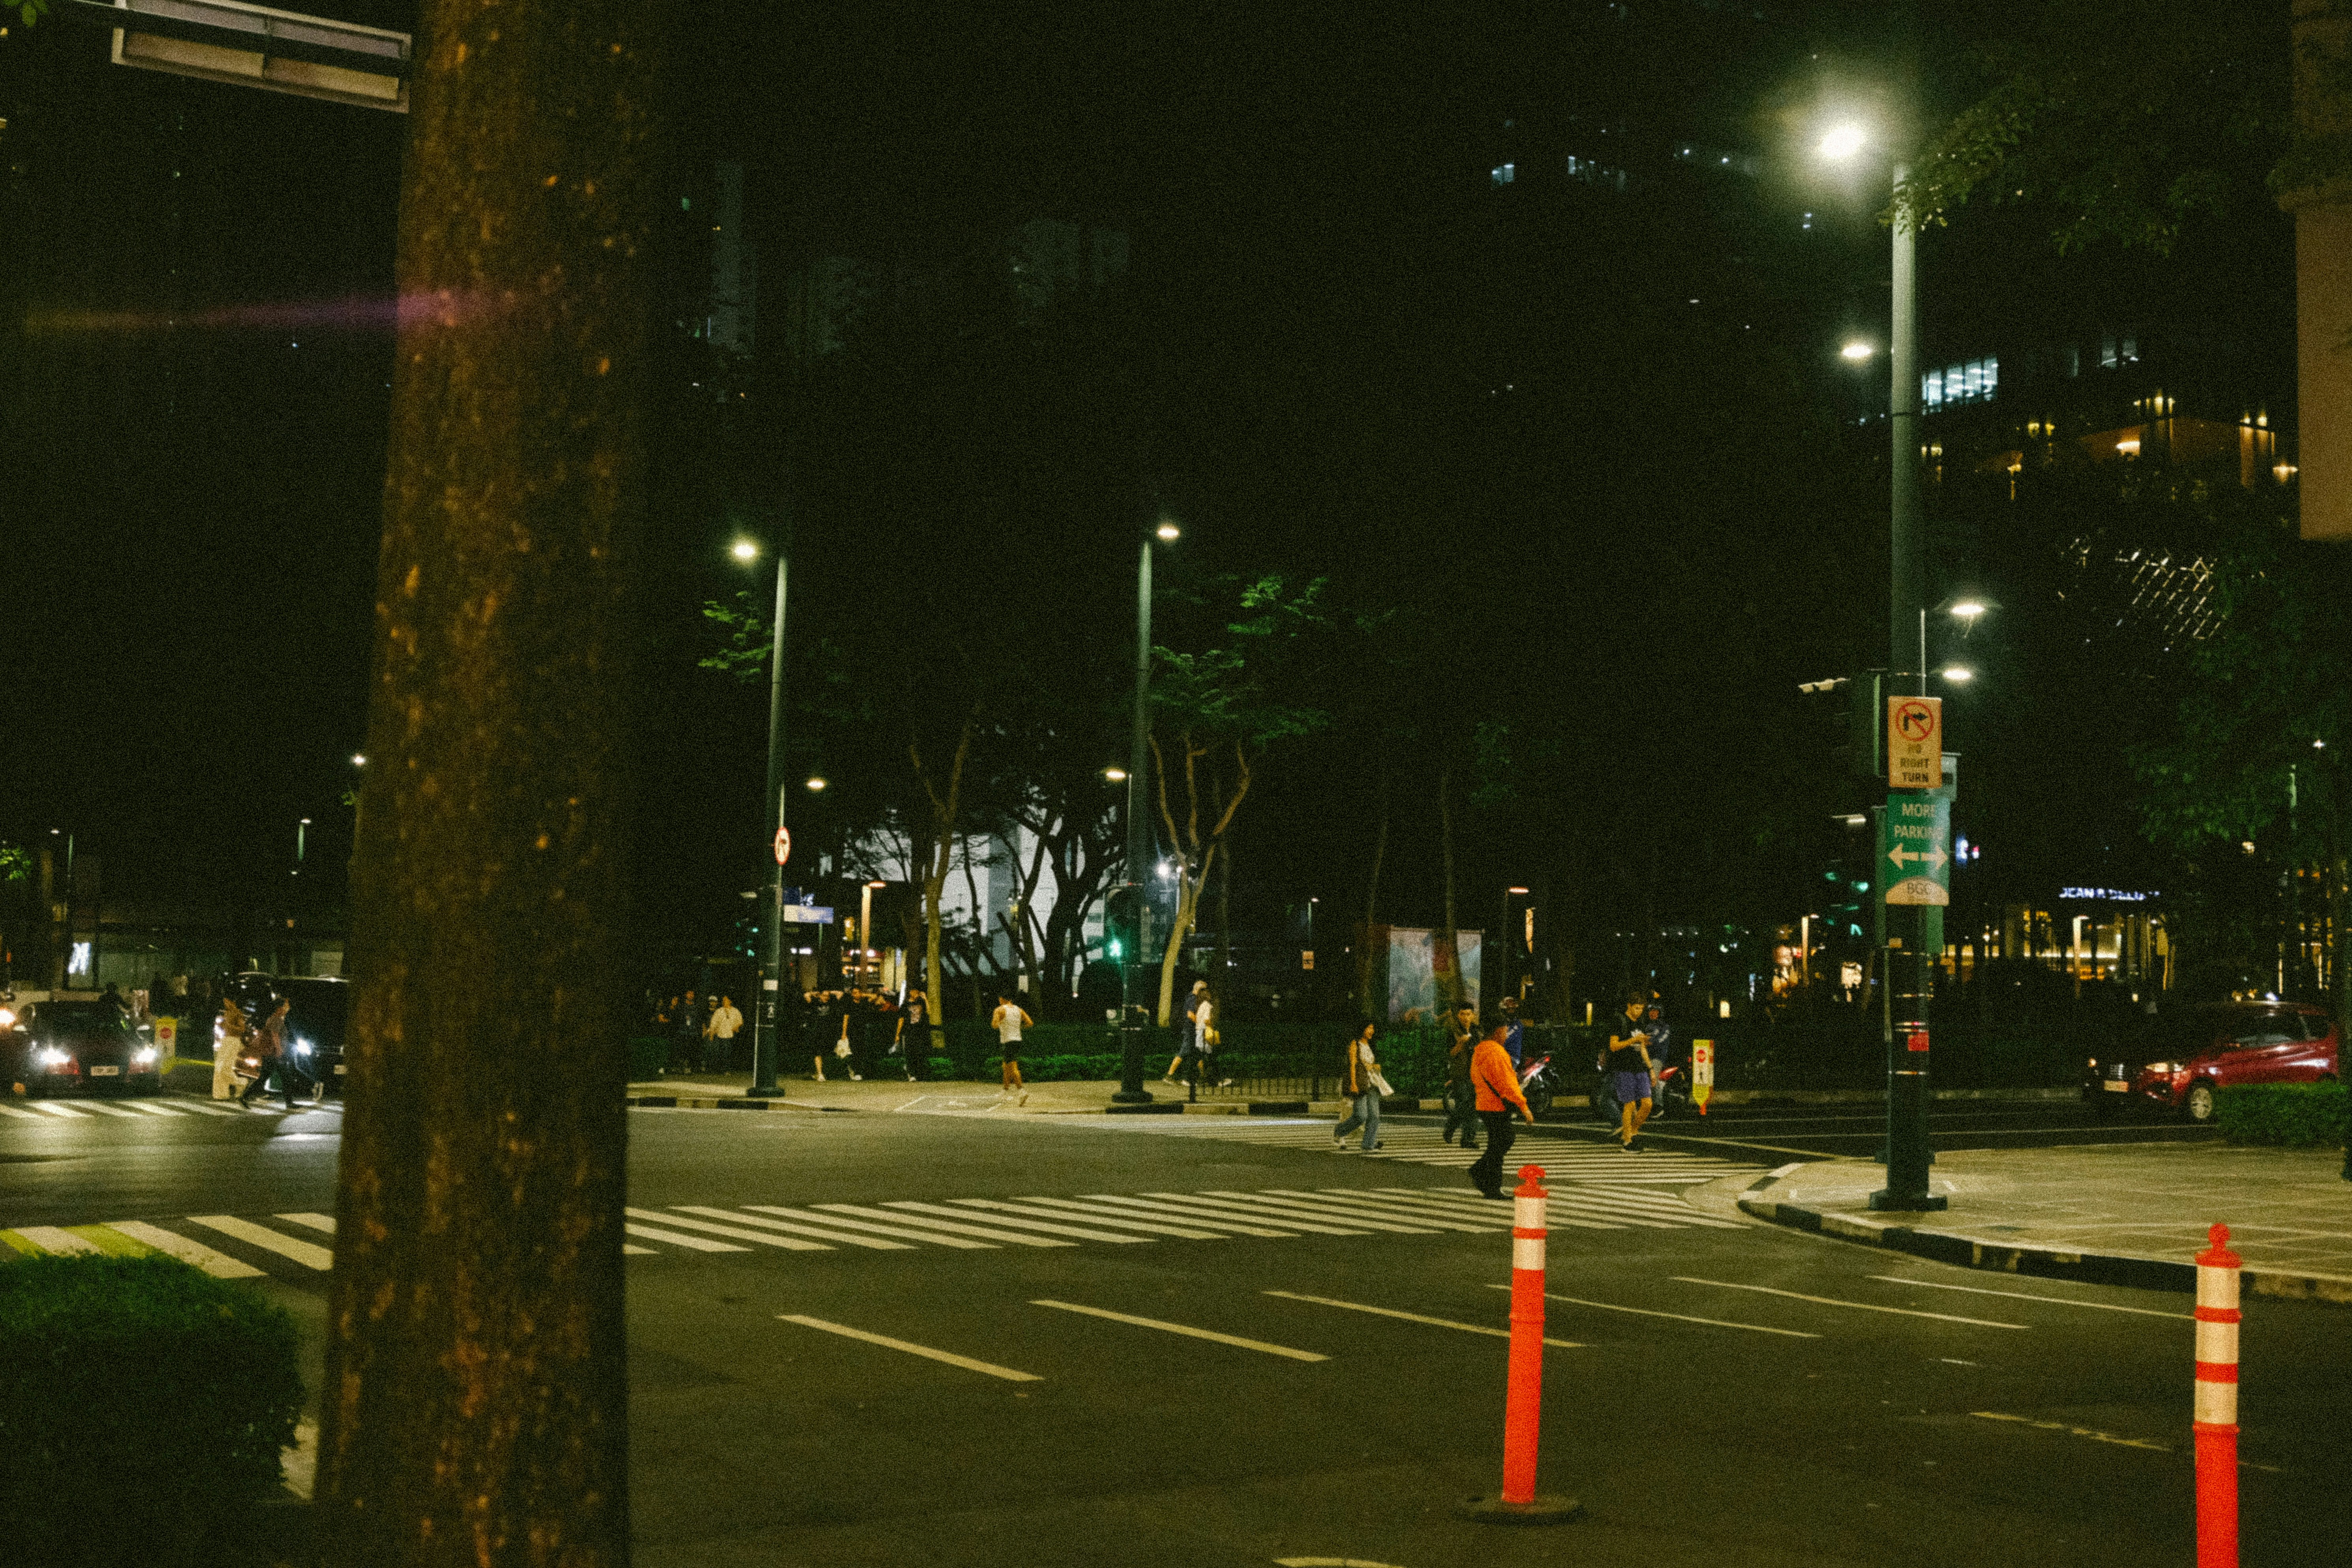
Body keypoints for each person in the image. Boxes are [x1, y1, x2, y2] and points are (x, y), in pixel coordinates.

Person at [1466, 1016, 1536, 1198]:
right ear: (1498, 1031)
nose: (1506, 1035)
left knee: (1498, 1143)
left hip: (1484, 1102)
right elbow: (1508, 1083)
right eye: (1505, 1031)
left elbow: (1476, 1077)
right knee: (1503, 1142)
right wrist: (1524, 1106)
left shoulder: (1480, 1050)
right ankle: (1487, 1180)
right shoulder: (1497, 1052)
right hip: (1497, 1105)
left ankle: (1488, 1182)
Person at [1607, 988, 1656, 1149]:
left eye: (1642, 1009)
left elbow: (1642, 1048)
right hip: (1624, 1068)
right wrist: (1632, 1040)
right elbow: (1613, 1046)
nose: (1639, 1011)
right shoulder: (1619, 1020)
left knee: (1648, 1104)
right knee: (1629, 1104)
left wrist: (1651, 1069)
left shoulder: (1641, 1022)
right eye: (1637, 1008)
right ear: (1629, 1006)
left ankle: (1633, 1131)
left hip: (1640, 1068)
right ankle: (1627, 1140)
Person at [1332, 1021, 1385, 1152]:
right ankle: (1339, 1131)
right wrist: (1354, 1084)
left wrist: (1375, 1066)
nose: (1372, 1031)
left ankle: (1368, 1144)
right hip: (1361, 1084)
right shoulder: (1355, 1044)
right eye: (1369, 1028)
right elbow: (1353, 1065)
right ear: (1362, 1029)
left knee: (1374, 1116)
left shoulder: (1370, 1045)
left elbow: (1368, 1064)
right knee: (1361, 1116)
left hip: (1372, 1083)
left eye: (1373, 1028)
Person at [1441, 1003, 1481, 1148]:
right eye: (1463, 1014)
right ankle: (1452, 1130)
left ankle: (1467, 1138)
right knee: (1464, 1104)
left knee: (1473, 1106)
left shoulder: (1477, 1031)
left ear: (1473, 1015)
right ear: (1458, 1016)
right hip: (1460, 1073)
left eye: (1468, 1014)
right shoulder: (1453, 1031)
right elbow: (1450, 1053)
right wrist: (1460, 1044)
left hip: (1475, 1073)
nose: (1466, 1018)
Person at [1165, 980, 1208, 1083]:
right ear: (1199, 989)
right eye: (1204, 990)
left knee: (1198, 1053)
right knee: (1184, 1053)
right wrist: (1201, 1023)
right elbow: (1190, 1015)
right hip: (1190, 1031)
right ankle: (1169, 1075)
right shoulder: (1192, 999)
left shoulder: (1192, 998)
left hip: (1192, 1030)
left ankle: (1203, 1076)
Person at [991, 991, 1031, 1103]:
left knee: (1013, 1067)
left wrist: (1002, 1023)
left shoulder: (1000, 1010)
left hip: (1008, 1041)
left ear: (1002, 999)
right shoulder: (1019, 1010)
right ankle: (1005, 1090)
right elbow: (1029, 1023)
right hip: (1018, 1040)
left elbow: (994, 1025)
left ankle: (1022, 1091)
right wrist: (1017, 1028)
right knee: (1006, 1066)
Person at [212, 993, 248, 1101]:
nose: (225, 1004)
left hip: (234, 1041)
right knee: (219, 1068)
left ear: (232, 1001)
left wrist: (229, 1026)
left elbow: (242, 1029)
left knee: (225, 1068)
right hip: (226, 1041)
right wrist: (222, 1026)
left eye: (227, 1001)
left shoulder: (238, 1013)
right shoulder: (227, 1013)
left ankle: (242, 1083)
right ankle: (221, 1094)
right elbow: (227, 1027)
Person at [895, 989, 930, 1082]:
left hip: (920, 1032)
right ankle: (912, 1074)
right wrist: (898, 1034)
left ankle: (920, 1074)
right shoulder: (905, 1005)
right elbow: (901, 1020)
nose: (916, 995)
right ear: (910, 994)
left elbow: (929, 1012)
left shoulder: (921, 1003)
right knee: (910, 1054)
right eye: (914, 993)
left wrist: (925, 999)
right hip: (909, 1032)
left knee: (920, 1053)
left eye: (917, 993)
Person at [706, 995, 743, 1071]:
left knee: (729, 1052)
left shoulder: (735, 1011)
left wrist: (736, 1027)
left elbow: (740, 1021)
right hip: (721, 1034)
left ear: (730, 1001)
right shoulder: (719, 1011)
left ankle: (728, 1068)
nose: (724, 1002)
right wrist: (711, 1033)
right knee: (720, 1052)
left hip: (731, 1035)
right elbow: (714, 1023)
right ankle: (720, 1068)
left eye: (726, 1000)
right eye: (723, 1001)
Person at [673, 988, 706, 1074]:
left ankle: (692, 1068)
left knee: (693, 1050)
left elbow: (701, 1019)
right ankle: (682, 1068)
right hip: (683, 1032)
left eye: (692, 994)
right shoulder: (681, 1006)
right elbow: (676, 1018)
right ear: (686, 995)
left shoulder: (697, 1007)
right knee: (683, 1050)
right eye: (689, 994)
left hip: (694, 1032)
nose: (691, 995)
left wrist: (703, 1029)